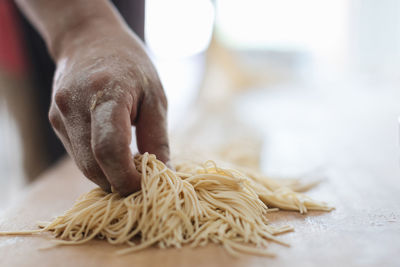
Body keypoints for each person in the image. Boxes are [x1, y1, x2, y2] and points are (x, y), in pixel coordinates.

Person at [14, 0, 170, 196]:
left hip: (121, 11)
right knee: (47, 163)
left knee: (118, 121)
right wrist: (82, 26)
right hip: (26, 29)